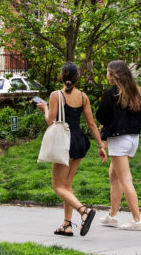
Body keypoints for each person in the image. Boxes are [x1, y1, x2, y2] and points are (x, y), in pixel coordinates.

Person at [36, 62, 107, 237]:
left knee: (58, 186)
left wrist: (45, 108)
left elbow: (50, 121)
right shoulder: (83, 96)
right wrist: (100, 146)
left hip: (64, 142)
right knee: (67, 185)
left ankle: (84, 211)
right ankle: (66, 225)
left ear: (62, 76)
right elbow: (91, 123)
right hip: (79, 141)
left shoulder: (56, 95)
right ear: (77, 78)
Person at [96, 59, 141, 231]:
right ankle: (112, 216)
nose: (106, 74)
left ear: (113, 74)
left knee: (125, 179)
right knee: (114, 174)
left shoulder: (111, 93)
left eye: (107, 71)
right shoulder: (137, 92)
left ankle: (137, 220)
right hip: (133, 139)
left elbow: (101, 116)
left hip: (119, 140)